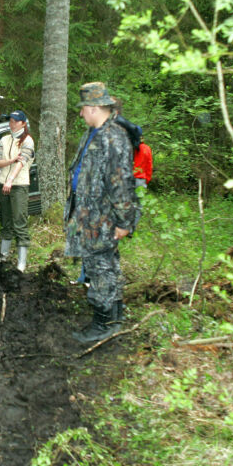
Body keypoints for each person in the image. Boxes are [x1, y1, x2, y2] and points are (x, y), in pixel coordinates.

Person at [65, 82, 139, 343]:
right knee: (102, 266)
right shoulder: (93, 133)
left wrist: (123, 222)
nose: (81, 113)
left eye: (83, 108)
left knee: (101, 268)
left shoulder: (114, 138)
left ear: (94, 108)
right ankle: (114, 319)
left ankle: (103, 324)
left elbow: (121, 185)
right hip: (88, 214)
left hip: (104, 217)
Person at [0, 109, 35, 272]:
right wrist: (10, 160)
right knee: (6, 222)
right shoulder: (4, 140)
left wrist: (10, 180)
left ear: (23, 124)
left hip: (19, 186)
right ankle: (3, 256)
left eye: (14, 121)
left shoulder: (28, 141)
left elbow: (21, 162)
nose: (11, 123)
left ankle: (21, 263)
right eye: (9, 120)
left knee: (20, 223)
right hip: (3, 184)